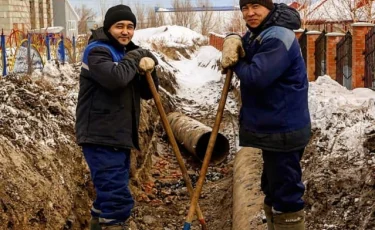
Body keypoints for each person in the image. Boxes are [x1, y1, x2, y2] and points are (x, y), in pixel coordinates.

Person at [221, 1, 310, 229]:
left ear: (268, 7)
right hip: (275, 126)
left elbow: (255, 77)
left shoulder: (277, 37)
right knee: (272, 189)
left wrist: (237, 60)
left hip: (284, 129)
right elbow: (246, 44)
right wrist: (233, 38)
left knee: (286, 195)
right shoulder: (261, 32)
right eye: (245, 8)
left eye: (256, 6)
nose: (250, 13)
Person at [75, 4, 159, 230]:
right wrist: (136, 55)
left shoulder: (124, 53)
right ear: (108, 28)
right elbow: (116, 79)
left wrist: (150, 68)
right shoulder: (97, 51)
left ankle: (97, 224)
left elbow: (147, 93)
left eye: (130, 27)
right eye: (119, 26)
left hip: (118, 136)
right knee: (117, 199)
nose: (125, 31)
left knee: (107, 196)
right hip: (100, 136)